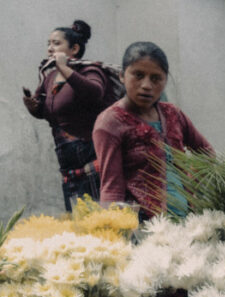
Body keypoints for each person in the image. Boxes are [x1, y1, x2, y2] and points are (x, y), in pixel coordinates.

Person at [93, 42, 211, 219]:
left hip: (187, 222)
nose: (147, 85)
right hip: (144, 225)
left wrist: (192, 184)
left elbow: (206, 153)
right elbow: (112, 188)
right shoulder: (110, 122)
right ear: (122, 76)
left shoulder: (173, 114)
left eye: (156, 78)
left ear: (165, 80)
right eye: (138, 75)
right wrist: (113, 228)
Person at [22, 20, 114, 212]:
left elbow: (95, 92)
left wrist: (64, 68)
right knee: (77, 217)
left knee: (99, 217)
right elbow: (47, 112)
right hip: (68, 165)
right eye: (48, 43)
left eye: (56, 43)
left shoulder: (90, 70)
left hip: (92, 159)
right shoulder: (50, 77)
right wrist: (33, 107)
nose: (50, 49)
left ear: (74, 49)